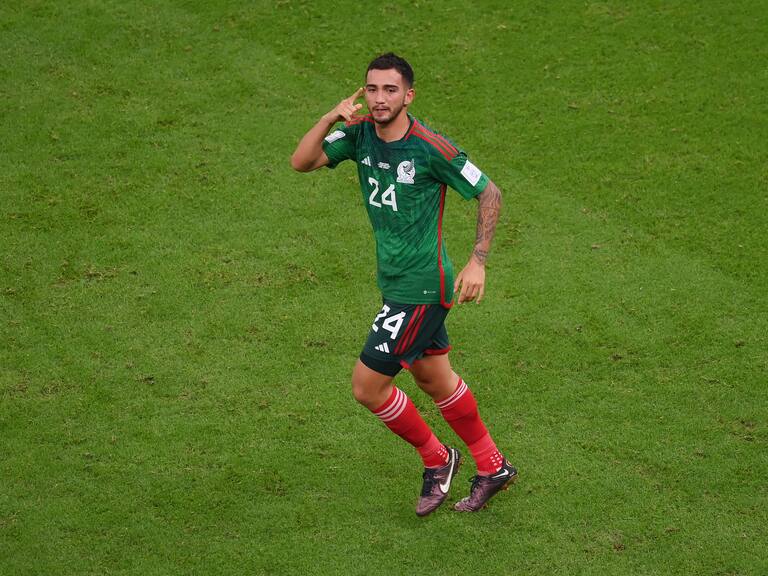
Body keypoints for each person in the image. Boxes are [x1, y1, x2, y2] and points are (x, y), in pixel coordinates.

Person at [290, 52, 516, 515]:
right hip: (394, 284)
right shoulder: (357, 137)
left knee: (367, 387)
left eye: (390, 90)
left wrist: (478, 261)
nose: (378, 98)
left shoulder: (431, 147)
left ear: (408, 95)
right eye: (371, 89)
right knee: (436, 380)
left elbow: (488, 191)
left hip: (423, 287)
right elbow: (302, 162)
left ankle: (438, 459)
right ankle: (493, 466)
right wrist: (330, 116)